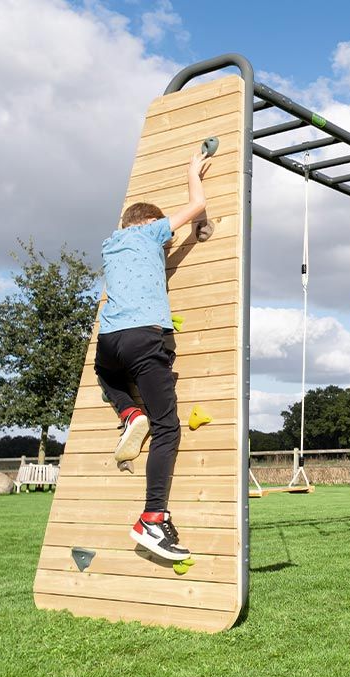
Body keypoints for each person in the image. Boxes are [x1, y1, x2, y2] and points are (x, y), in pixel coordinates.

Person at [94, 149, 211, 561]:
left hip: (109, 341)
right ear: (149, 226)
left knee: (104, 374)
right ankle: (152, 519)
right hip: (144, 340)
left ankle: (128, 413)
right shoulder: (148, 233)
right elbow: (197, 206)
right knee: (168, 428)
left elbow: (128, 221)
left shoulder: (111, 244)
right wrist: (191, 172)